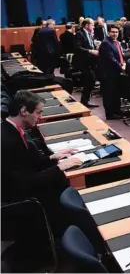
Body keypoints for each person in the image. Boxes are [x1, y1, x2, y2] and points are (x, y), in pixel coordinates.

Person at [2, 90, 81, 237]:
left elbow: (26, 164)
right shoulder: (8, 140)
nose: (40, 117)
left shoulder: (11, 129)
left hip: (22, 185)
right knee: (68, 186)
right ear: (24, 111)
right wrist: (59, 168)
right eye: (38, 113)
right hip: (19, 198)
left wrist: (53, 158)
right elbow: (25, 182)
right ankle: (65, 233)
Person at [97, 25, 124, 120]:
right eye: (113, 32)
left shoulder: (115, 42)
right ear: (108, 32)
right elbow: (110, 59)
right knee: (109, 94)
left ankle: (117, 111)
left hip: (115, 73)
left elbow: (119, 56)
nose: (115, 34)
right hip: (107, 74)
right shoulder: (106, 43)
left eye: (116, 32)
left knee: (115, 93)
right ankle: (110, 114)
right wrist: (122, 67)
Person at [74, 18, 99, 107]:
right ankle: (84, 101)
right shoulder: (79, 34)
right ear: (86, 25)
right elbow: (77, 48)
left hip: (90, 61)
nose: (93, 26)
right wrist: (90, 51)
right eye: (92, 24)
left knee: (90, 80)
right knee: (91, 79)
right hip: (83, 62)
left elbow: (90, 45)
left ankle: (85, 101)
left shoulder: (88, 34)